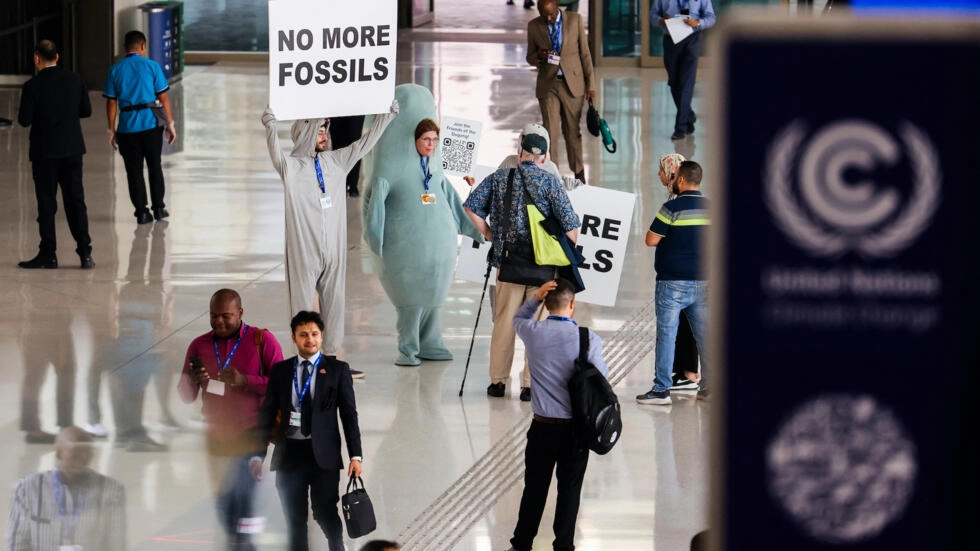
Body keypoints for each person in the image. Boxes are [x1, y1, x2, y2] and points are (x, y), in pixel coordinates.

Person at [262, 100, 398, 374]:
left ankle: (331, 360)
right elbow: (275, 150)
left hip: (334, 250)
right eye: (319, 130)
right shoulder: (291, 168)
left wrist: (386, 116)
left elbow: (365, 143)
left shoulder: (336, 160)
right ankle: (302, 364)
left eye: (326, 130)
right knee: (300, 306)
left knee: (335, 303)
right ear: (304, 133)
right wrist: (270, 124)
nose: (325, 135)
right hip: (304, 252)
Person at [362, 88, 485, 366]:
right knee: (411, 301)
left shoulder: (435, 165)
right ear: (412, 137)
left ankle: (431, 341)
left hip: (439, 248)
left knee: (432, 299)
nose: (430, 145)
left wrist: (474, 228)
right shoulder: (389, 167)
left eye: (434, 140)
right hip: (405, 249)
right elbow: (374, 199)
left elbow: (450, 197)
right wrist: (374, 236)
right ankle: (408, 348)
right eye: (425, 139)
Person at [464, 130, 580, 402]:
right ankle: (529, 384)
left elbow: (471, 206)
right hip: (543, 268)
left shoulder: (500, 178)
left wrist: (490, 233)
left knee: (504, 322)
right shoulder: (550, 182)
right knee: (538, 324)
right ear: (544, 158)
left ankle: (497, 382)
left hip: (508, 264)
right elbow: (572, 228)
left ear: (520, 154)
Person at [504, 279, 609, 551]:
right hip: (576, 430)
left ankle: (521, 544)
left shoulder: (532, 331)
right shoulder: (589, 340)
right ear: (572, 304)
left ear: (546, 304)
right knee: (569, 491)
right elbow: (602, 381)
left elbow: (518, 316)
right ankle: (563, 546)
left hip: (542, 428)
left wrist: (535, 298)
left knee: (534, 489)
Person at [178, 289, 283, 549]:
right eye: (214, 316)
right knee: (224, 499)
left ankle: (244, 543)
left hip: (252, 431)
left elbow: (283, 384)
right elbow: (186, 395)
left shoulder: (262, 340)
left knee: (244, 491)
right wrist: (191, 381)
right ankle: (238, 541)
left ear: (240, 313)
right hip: (215, 434)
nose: (219, 322)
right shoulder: (199, 345)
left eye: (226, 316)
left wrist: (245, 381)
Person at [251, 311, 363, 551]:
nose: (309, 339)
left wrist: (356, 455)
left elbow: (349, 415)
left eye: (314, 334)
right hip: (290, 455)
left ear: (322, 336)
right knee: (294, 518)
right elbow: (267, 415)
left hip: (324, 456)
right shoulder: (281, 371)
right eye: (303, 335)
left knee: (325, 511)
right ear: (294, 338)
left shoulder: (337, 370)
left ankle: (336, 545)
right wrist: (258, 455)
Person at [636, 160, 710, 405]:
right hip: (704, 281)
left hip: (672, 283)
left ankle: (661, 390)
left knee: (667, 334)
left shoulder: (671, 208)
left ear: (680, 180)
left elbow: (650, 239)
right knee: (705, 336)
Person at [16, 40, 94, 270]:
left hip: (44, 152)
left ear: (37, 59)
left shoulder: (32, 86)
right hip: (72, 150)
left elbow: (24, 120)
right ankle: (85, 253)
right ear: (57, 57)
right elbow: (86, 111)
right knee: (75, 201)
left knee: (47, 204)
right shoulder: (75, 79)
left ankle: (48, 254)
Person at [4, 426, 126, 550]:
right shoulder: (27, 489)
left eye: (87, 453)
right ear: (58, 453)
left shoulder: (112, 491)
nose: (82, 459)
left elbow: (116, 545)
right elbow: (16, 543)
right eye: (75, 454)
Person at [104, 30, 177, 224]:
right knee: (154, 166)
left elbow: (111, 103)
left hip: (127, 128)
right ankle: (159, 208)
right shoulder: (152, 66)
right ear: (143, 47)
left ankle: (142, 212)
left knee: (133, 171)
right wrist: (170, 124)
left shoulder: (115, 70)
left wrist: (111, 130)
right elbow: (163, 97)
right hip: (151, 125)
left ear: (124, 48)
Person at [526, 0, 595, 184]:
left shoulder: (575, 20)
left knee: (572, 131)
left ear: (557, 7)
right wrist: (540, 56)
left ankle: (579, 174)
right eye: (544, 15)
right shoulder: (534, 26)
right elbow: (529, 56)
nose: (548, 18)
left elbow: (585, 54)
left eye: (551, 14)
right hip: (548, 85)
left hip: (573, 83)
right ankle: (552, 176)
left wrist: (591, 85)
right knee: (550, 132)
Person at [657, 153, 701, 391]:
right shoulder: (676, 200)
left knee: (684, 323)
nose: (659, 175)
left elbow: (652, 238)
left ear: (675, 176)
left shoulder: (674, 205)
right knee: (689, 322)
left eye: (662, 171)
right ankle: (683, 372)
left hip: (679, 275)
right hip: (694, 272)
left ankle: (688, 373)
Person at [651, 0, 716, 140]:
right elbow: (653, 16)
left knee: (686, 82)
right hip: (671, 39)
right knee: (674, 82)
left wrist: (698, 23)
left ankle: (680, 128)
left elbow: (711, 17)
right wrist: (660, 21)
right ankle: (689, 116)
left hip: (692, 39)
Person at [327, 115, 367, 197]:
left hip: (355, 107)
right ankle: (341, 183)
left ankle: (352, 184)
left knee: (354, 143)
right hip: (334, 107)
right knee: (337, 143)